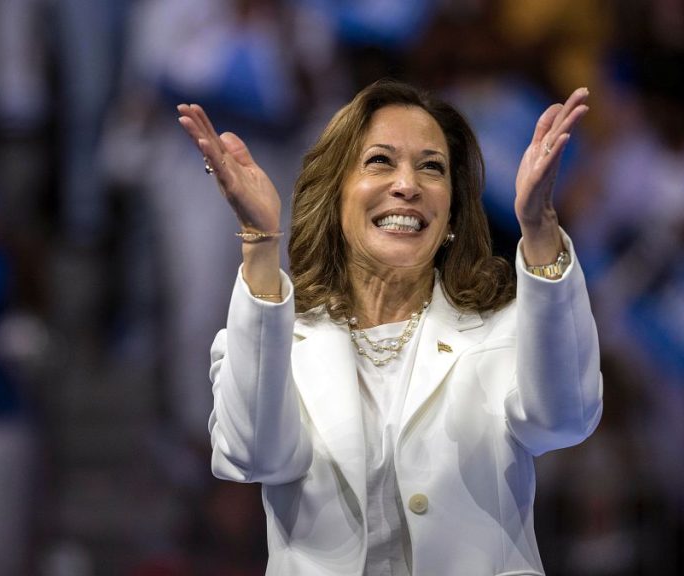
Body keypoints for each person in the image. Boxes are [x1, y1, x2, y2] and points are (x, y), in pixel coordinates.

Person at [176, 79, 602, 575]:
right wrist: (260, 243)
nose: (408, 184)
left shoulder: (502, 331)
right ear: (335, 199)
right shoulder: (273, 341)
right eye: (381, 161)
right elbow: (252, 455)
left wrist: (540, 224)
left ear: (452, 214)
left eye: (431, 167)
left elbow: (566, 418)